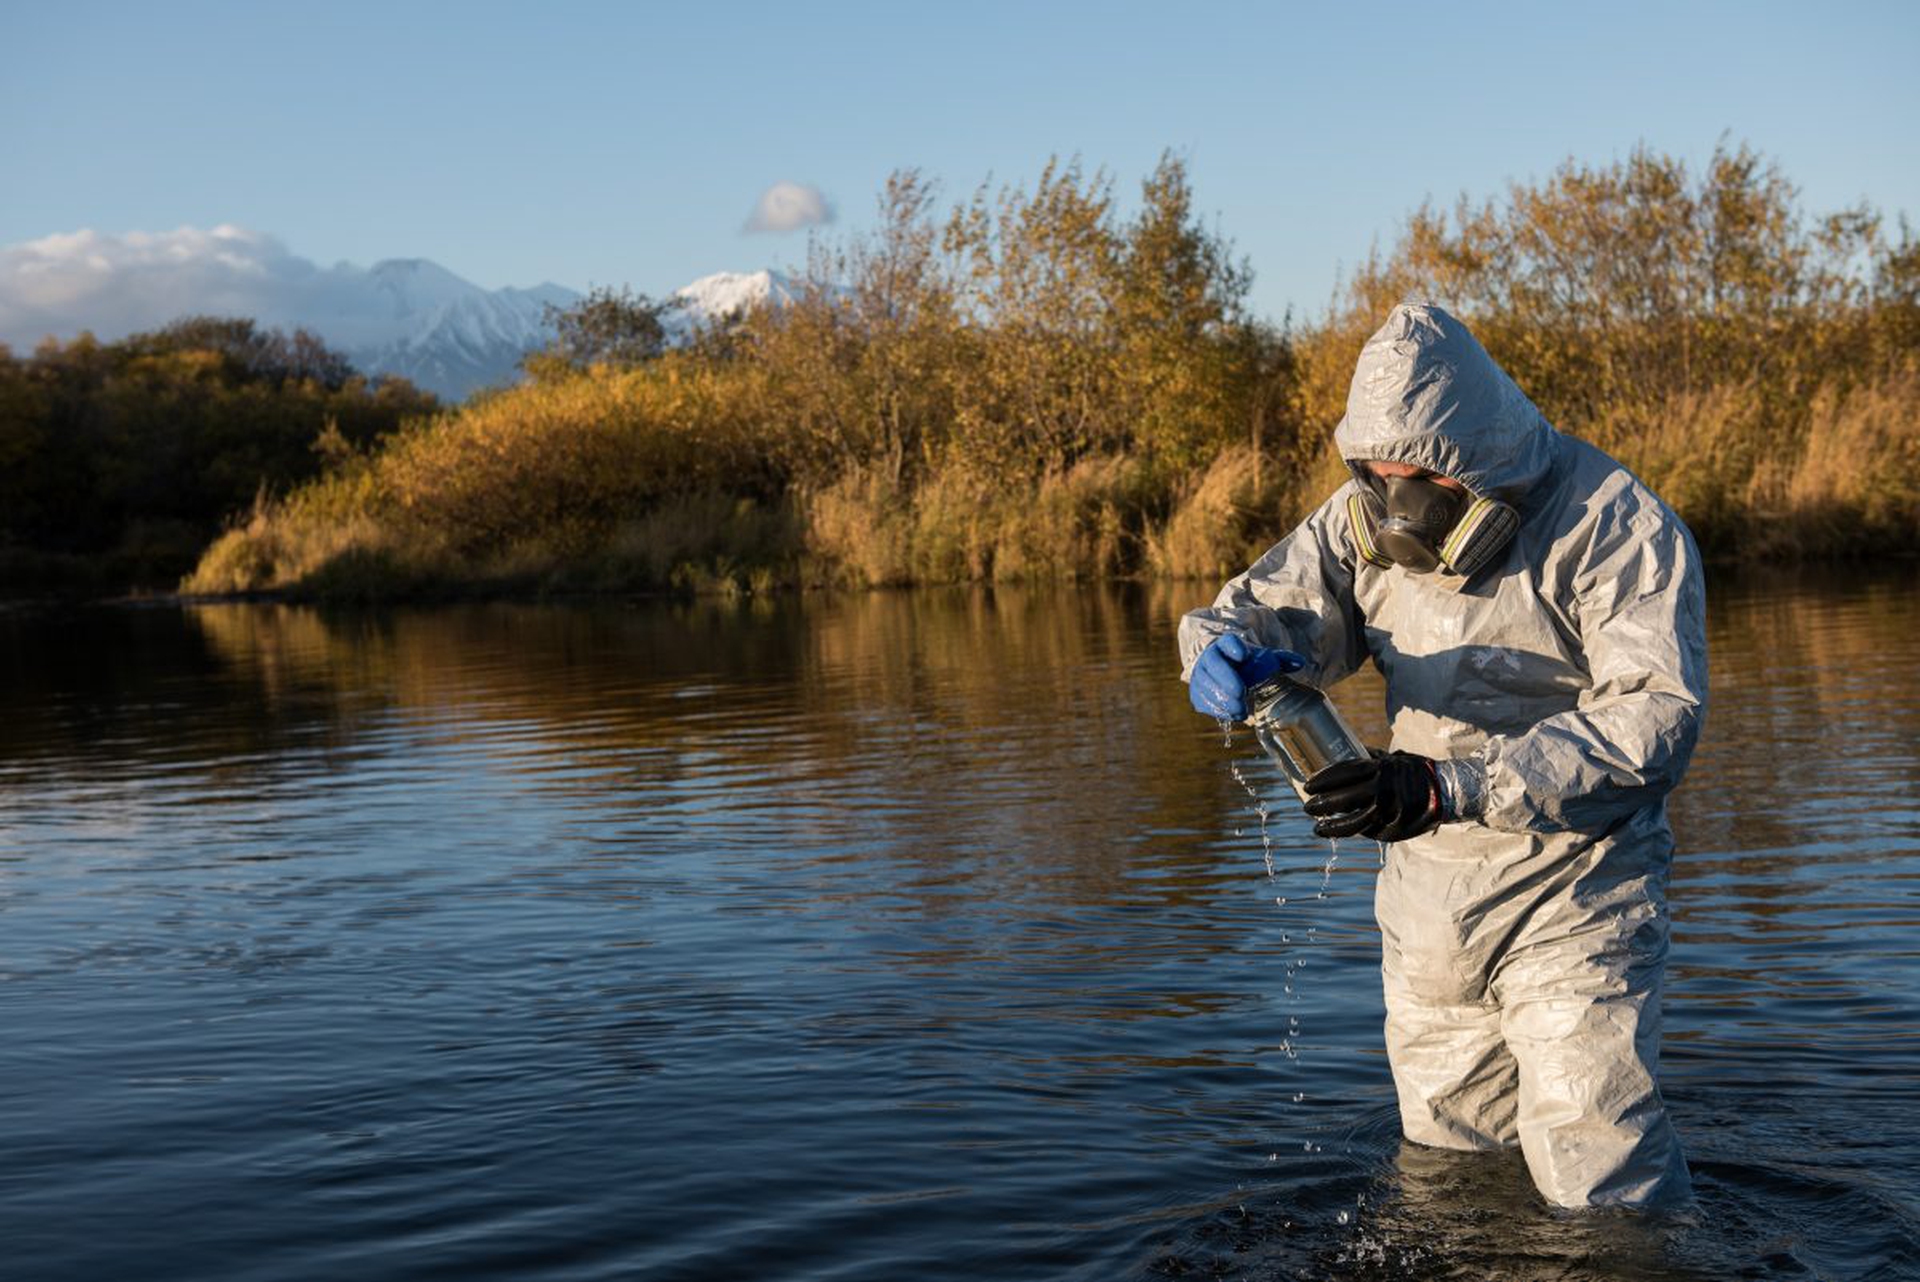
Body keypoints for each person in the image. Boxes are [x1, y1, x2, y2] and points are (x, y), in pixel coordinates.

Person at [1180, 301, 1706, 1209]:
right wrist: (1219, 649)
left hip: (1577, 890)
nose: (1399, 506)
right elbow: (1273, 607)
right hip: (1430, 902)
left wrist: (1447, 785)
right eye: (1378, 476)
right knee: (1449, 1176)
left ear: (1477, 455)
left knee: (1598, 1170)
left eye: (1419, 478)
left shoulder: (1614, 523)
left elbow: (1654, 720)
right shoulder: (1358, 522)